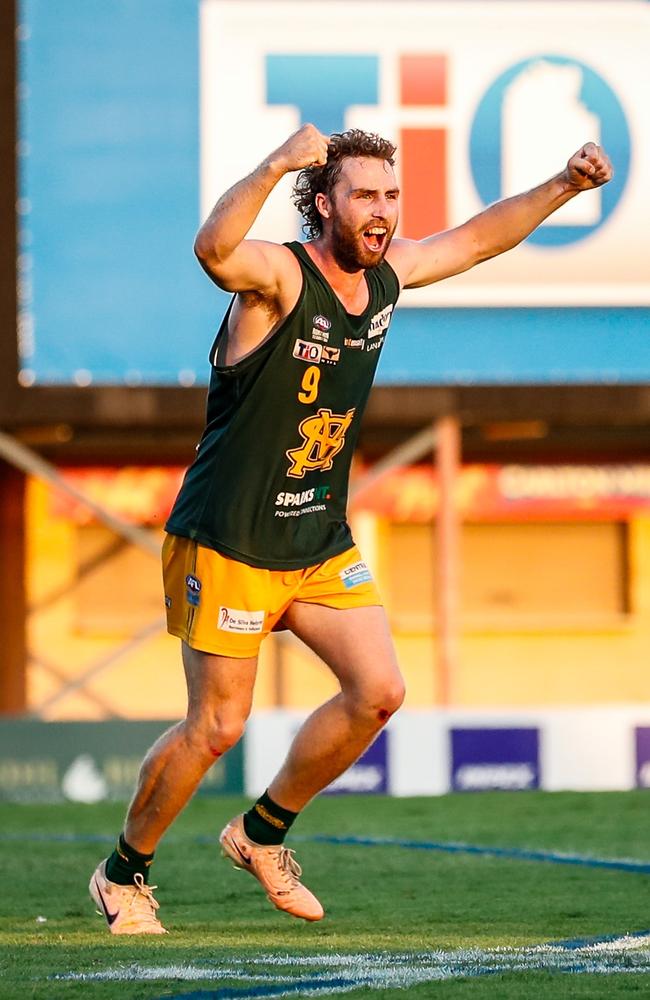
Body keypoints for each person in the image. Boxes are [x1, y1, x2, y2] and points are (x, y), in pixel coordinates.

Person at [89, 125, 612, 934]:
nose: (383, 211)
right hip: (229, 538)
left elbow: (474, 242)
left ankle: (260, 834)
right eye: (364, 195)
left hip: (316, 536)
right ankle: (124, 873)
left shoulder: (390, 277)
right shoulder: (278, 279)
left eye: (391, 196)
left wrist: (564, 186)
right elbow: (213, 249)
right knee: (218, 726)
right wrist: (272, 165)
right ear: (324, 202)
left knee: (379, 692)